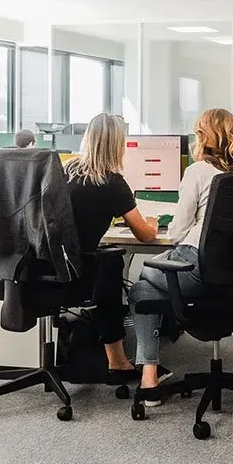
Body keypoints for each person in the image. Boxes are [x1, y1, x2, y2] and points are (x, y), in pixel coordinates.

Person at [128, 108, 233, 407]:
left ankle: (148, 375)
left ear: (203, 137)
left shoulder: (198, 171)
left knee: (140, 283)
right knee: (149, 285)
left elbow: (177, 232)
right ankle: (153, 369)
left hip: (195, 267)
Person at [61, 113, 163, 382]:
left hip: (48, 265)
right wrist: (152, 224)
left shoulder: (66, 171)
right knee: (111, 263)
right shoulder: (112, 183)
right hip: (79, 271)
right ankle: (116, 360)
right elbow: (144, 235)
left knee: (107, 259)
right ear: (118, 145)